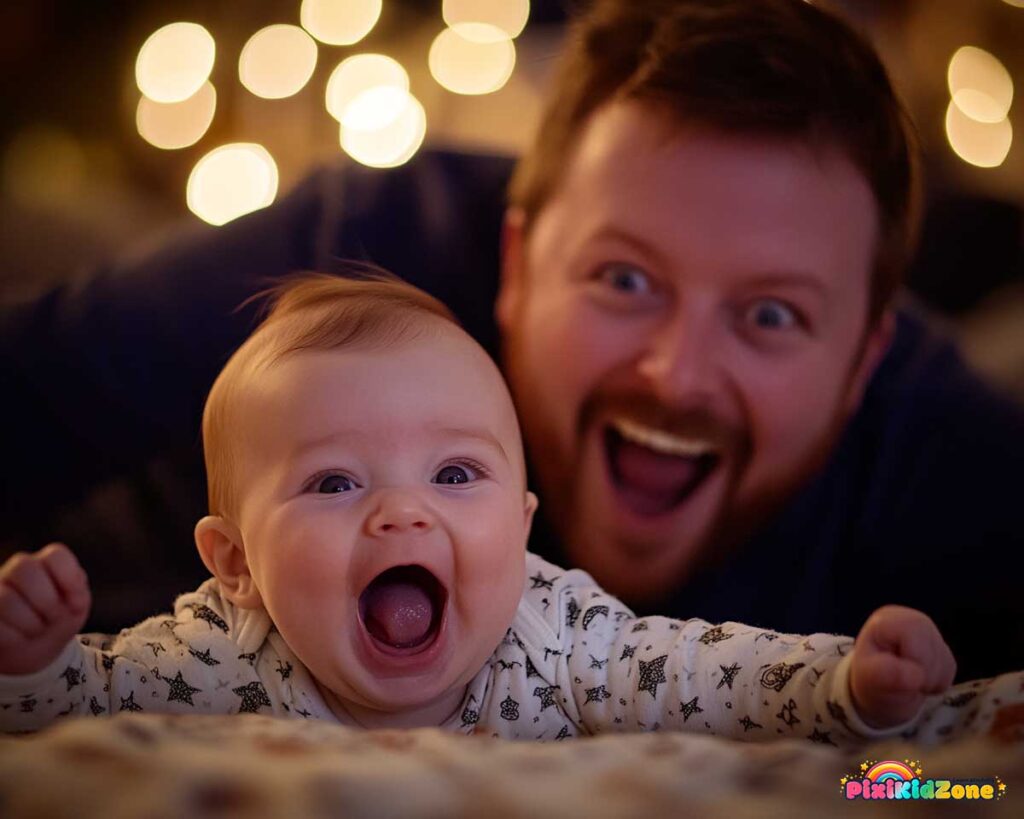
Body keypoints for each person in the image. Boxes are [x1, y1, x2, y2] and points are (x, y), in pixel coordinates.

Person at [2, 0, 1022, 680]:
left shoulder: (934, 439)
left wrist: (893, 789)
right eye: (622, 279)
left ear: (863, 359)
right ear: (519, 263)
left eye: (769, 316)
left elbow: (953, 785)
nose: (674, 372)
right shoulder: (356, 253)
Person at [0, 274, 958, 743]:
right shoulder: (215, 654)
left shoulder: (558, 633)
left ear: (525, 522)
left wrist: (846, 684)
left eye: (456, 475)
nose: (403, 515)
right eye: (336, 483)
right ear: (235, 561)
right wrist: (34, 660)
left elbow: (711, 675)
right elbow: (69, 710)